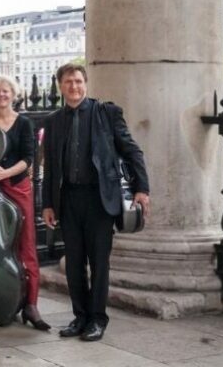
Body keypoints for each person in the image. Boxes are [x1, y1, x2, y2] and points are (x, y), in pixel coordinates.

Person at [42, 63, 150, 342]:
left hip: (100, 199)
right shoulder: (53, 121)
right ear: (60, 86)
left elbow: (131, 150)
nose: (74, 87)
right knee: (75, 263)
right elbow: (51, 167)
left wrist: (142, 189)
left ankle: (97, 319)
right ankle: (80, 317)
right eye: (68, 82)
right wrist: (48, 204)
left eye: (78, 81)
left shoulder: (107, 113)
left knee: (99, 263)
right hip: (68, 200)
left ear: (86, 84)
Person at [0, 75, 48, 331]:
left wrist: (3, 173)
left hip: (15, 187)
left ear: (13, 94)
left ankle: (31, 304)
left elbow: (29, 158)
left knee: (25, 244)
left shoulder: (24, 123)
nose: (1, 95)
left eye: (5, 91)